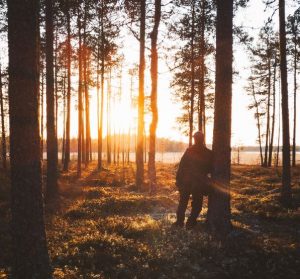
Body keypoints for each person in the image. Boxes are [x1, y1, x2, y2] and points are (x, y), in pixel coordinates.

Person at [173, 131, 213, 229]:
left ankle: (180, 223)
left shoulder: (189, 151)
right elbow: (211, 169)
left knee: (183, 202)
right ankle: (190, 222)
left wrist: (178, 180)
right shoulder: (208, 153)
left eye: (195, 138)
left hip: (188, 182)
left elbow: (181, 167)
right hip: (198, 183)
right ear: (203, 139)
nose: (195, 139)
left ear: (195, 139)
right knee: (197, 204)